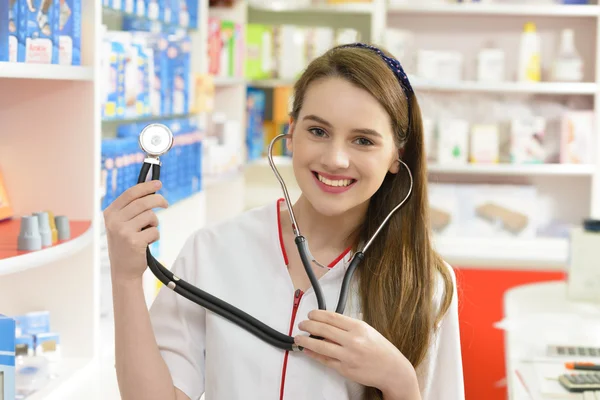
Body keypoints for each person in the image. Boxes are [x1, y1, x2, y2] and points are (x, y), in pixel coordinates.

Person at [103, 43, 465, 400]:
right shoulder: (213, 250)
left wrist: (399, 381)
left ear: (395, 156)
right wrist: (125, 277)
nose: (336, 159)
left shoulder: (424, 283)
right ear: (291, 133)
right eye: (318, 131)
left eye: (363, 140)